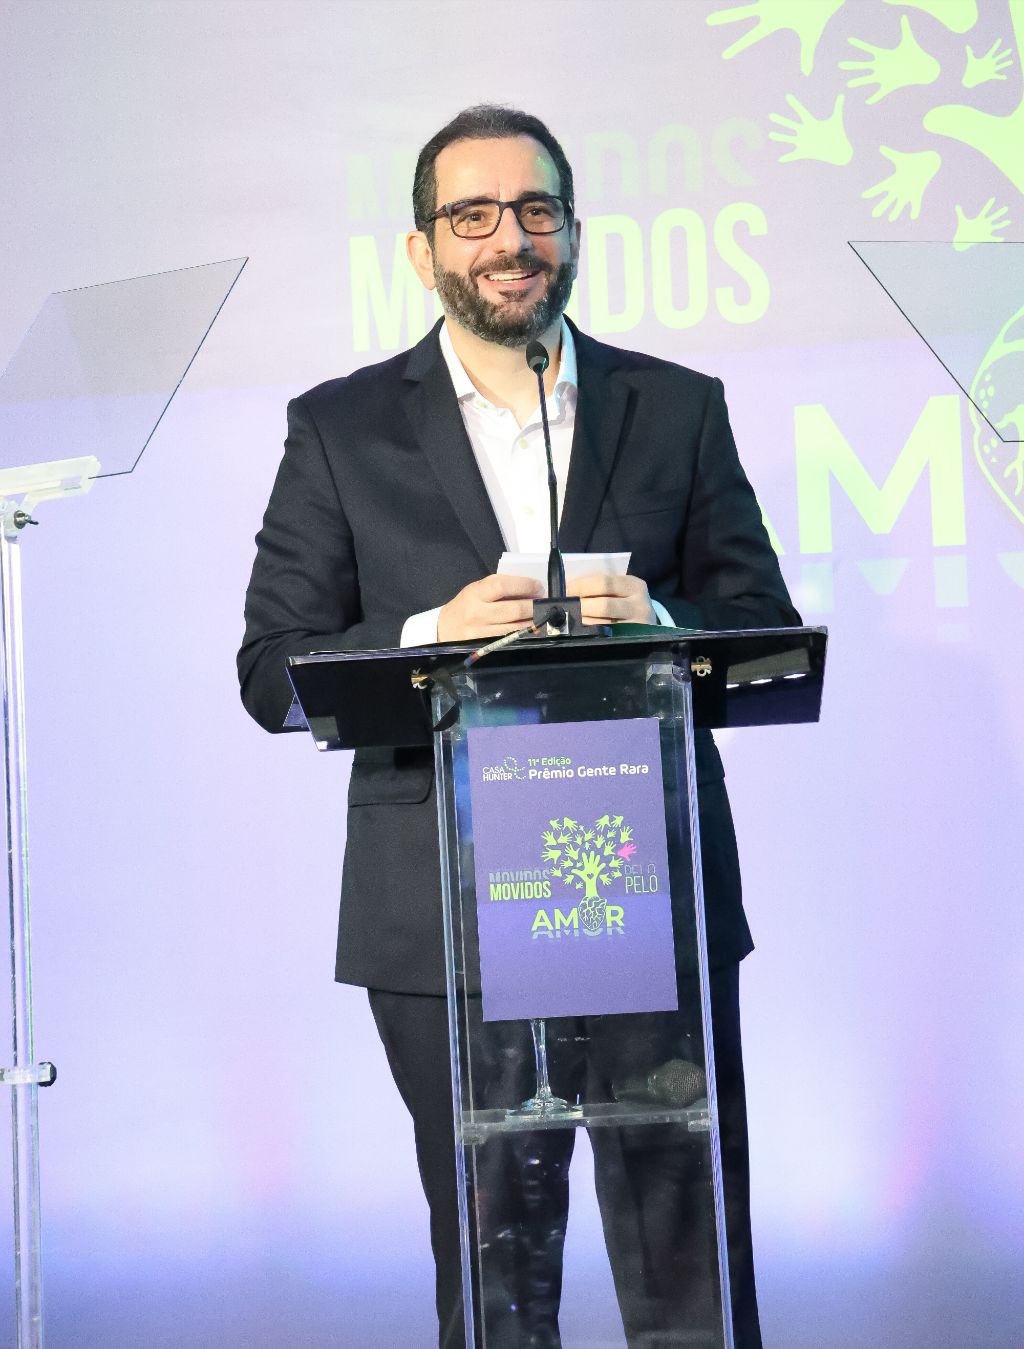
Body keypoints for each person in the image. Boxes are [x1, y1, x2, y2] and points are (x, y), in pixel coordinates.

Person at [238, 104, 800, 1349]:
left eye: (536, 210)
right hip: (441, 915)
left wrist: (662, 619)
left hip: (644, 894)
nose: (510, 238)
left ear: (573, 233)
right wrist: (428, 632)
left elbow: (763, 633)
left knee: (690, 1263)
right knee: (496, 1277)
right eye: (474, 214)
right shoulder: (340, 427)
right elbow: (273, 671)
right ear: (422, 248)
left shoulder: (674, 405)